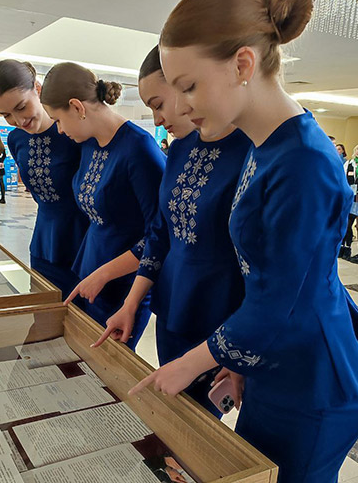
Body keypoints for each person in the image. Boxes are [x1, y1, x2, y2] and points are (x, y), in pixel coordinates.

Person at [128, 0, 358, 483]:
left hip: (313, 383)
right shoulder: (267, 147)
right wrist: (239, 361)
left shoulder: (305, 161)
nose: (180, 107)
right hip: (276, 365)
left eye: (189, 86)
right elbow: (264, 278)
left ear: (243, 64)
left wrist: (190, 362)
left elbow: (285, 300)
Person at [92, 45, 251, 416]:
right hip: (173, 306)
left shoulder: (251, 149)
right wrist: (130, 303)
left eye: (159, 104)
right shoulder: (180, 149)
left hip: (222, 314)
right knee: (173, 413)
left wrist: (241, 346)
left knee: (200, 420)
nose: (158, 119)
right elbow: (160, 234)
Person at [40, 62, 166, 350]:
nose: (59, 130)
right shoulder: (89, 142)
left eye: (58, 120)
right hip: (90, 274)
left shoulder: (139, 150)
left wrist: (105, 274)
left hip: (125, 286)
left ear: (77, 107)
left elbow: (159, 235)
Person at [0, 60, 89, 299]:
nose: (18, 120)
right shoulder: (16, 139)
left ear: (38, 88)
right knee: (44, 314)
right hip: (43, 244)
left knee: (82, 319)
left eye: (21, 107)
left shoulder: (74, 132)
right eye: (6, 115)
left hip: (84, 243)